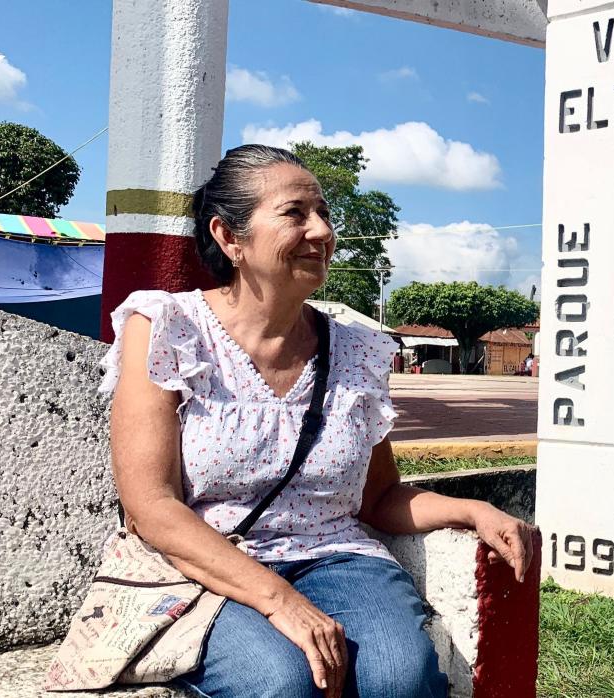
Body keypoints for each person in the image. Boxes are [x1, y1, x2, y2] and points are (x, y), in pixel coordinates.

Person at [103, 145, 536, 698]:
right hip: (208, 566)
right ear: (229, 237)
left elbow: (379, 499)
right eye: (295, 213)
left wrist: (472, 508)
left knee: (399, 680)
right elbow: (151, 506)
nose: (322, 231)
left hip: (338, 558)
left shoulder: (359, 352)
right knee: (280, 682)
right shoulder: (168, 328)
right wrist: (283, 602)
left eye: (324, 214)